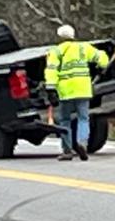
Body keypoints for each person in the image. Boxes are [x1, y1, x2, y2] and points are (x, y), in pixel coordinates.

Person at [45, 24, 109, 161]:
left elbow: (51, 70)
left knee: (65, 120)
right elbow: (102, 57)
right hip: (83, 89)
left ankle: (67, 150)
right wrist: (100, 67)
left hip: (65, 91)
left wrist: (50, 89)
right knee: (83, 118)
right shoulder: (83, 47)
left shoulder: (56, 51)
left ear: (59, 37)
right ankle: (82, 143)